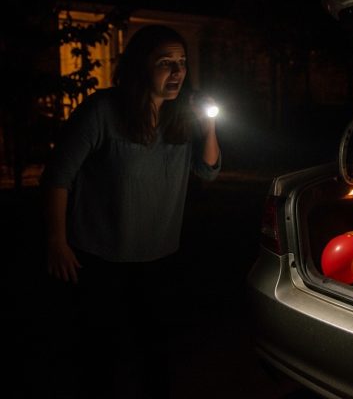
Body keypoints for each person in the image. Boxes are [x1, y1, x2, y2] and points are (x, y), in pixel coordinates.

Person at [41, 24, 221, 398]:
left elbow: (208, 170)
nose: (178, 71)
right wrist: (57, 240)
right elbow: (58, 176)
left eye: (182, 62)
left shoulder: (180, 115)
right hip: (100, 256)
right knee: (100, 353)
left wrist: (208, 125)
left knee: (155, 349)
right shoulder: (103, 111)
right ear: (141, 65)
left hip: (158, 254)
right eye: (166, 62)